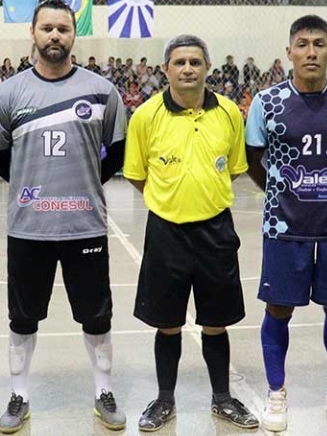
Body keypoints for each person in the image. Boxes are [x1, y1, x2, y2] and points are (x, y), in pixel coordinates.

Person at [0, 0, 129, 433]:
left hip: (85, 225)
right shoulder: (8, 93)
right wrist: (35, 188)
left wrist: (79, 185)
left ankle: (103, 390)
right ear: (32, 32)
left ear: (73, 34)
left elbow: (115, 154)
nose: (54, 36)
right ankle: (19, 394)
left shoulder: (102, 91)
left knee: (96, 315)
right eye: (46, 28)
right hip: (29, 228)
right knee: (22, 318)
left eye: (62, 29)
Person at [123, 34, 258, 432]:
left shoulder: (230, 112)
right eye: (179, 62)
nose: (187, 69)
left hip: (216, 232)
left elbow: (234, 167)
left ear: (207, 68)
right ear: (165, 69)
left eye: (195, 62)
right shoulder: (146, 116)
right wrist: (170, 200)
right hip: (166, 233)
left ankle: (221, 398)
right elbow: (136, 175)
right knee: (168, 323)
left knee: (216, 321)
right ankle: (165, 399)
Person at [245, 15, 327, 432]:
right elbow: (253, 161)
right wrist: (286, 194)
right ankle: (277, 392)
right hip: (284, 226)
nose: (311, 51)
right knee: (279, 307)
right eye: (302, 44)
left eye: (319, 43)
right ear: (289, 53)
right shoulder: (268, 102)